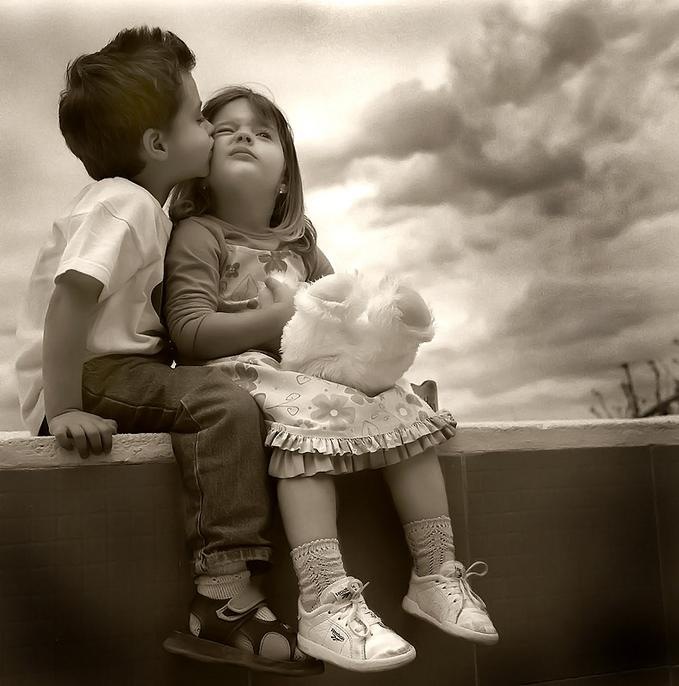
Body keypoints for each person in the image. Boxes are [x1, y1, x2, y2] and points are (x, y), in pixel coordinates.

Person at [14, 28, 320, 676]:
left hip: (116, 372)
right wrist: (61, 408)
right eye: (200, 118)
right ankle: (224, 594)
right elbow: (69, 299)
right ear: (158, 144)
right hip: (90, 375)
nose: (211, 130)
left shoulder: (146, 211)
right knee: (221, 404)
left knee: (223, 397)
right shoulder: (124, 206)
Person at [165, 85, 499, 673]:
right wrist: (280, 316)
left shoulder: (303, 246)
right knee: (310, 420)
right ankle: (323, 600)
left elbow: (344, 323)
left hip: (304, 377)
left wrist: (386, 345)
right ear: (202, 166)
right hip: (238, 373)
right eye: (226, 129)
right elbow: (188, 333)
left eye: (262, 133)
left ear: (285, 179)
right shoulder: (201, 235)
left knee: (404, 409)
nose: (244, 136)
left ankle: (435, 573)